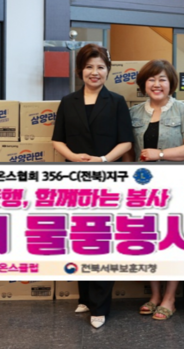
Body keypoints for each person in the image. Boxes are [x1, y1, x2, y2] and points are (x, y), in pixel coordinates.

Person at [51, 44, 133, 329]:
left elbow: (126, 142)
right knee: (78, 237)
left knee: (101, 240)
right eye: (89, 67)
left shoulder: (117, 101)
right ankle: (85, 297)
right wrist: (74, 157)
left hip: (106, 178)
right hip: (74, 178)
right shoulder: (68, 101)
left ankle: (100, 306)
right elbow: (57, 139)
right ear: (80, 71)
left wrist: (103, 160)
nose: (94, 72)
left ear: (108, 70)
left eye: (100, 67)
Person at [124, 59, 184, 321]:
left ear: (171, 84)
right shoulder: (134, 113)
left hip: (176, 185)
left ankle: (170, 298)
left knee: (172, 239)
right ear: (143, 84)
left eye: (162, 79)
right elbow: (129, 151)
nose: (157, 84)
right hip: (143, 188)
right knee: (148, 240)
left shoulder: (183, 110)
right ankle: (155, 295)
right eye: (151, 79)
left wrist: (160, 154)